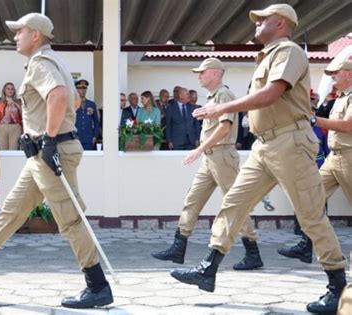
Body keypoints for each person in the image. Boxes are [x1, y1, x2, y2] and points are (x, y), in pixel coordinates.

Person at [171, 4, 347, 314]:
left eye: (262, 19)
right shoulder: (267, 55)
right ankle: (208, 269)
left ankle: (337, 286)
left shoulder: (289, 51)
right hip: (265, 146)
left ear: (280, 23)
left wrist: (222, 108)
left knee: (310, 216)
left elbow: (272, 93)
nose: (256, 23)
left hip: (290, 143)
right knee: (234, 203)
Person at [0, 13, 113, 309]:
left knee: (68, 218)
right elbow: (74, 101)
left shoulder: (42, 63)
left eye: (20, 32)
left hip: (51, 152)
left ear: (35, 36)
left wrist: (49, 137)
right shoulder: (51, 62)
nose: (15, 36)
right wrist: (42, 133)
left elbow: (57, 97)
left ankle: (98, 285)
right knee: (12, 210)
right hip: (42, 155)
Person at [151, 58, 262, 270]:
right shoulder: (212, 97)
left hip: (222, 157)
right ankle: (179, 246)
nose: (199, 76)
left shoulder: (224, 95)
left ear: (215, 73)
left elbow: (224, 129)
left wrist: (199, 149)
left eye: (202, 72)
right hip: (210, 157)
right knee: (192, 199)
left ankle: (253, 252)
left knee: (235, 205)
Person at [277, 57, 352, 288]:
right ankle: (306, 244)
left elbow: (348, 126)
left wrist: (312, 119)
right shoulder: (341, 98)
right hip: (334, 158)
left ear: (349, 73)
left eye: (335, 73)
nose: (331, 77)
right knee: (309, 196)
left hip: (349, 157)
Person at [0, 82, 23, 150]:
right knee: (3, 150)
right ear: (4, 90)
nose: (10, 90)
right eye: (8, 89)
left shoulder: (19, 102)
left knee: (14, 149)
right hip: (1, 127)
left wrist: (16, 105)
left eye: (12, 89)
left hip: (15, 127)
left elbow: (23, 115)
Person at [74, 79, 100, 150]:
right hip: (75, 138)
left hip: (88, 139)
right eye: (80, 88)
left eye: (84, 88)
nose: (83, 90)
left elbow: (96, 122)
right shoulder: (72, 103)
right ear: (76, 90)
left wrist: (94, 136)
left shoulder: (91, 104)